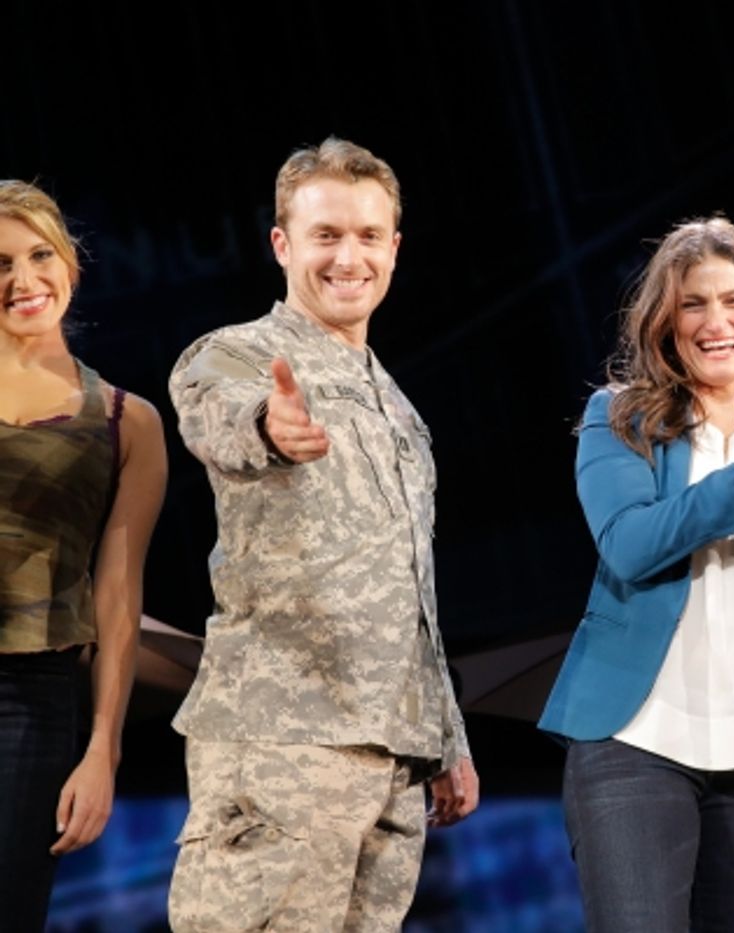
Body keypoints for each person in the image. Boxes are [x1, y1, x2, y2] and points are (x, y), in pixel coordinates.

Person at [166, 137, 478, 932]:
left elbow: (415, 588)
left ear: (395, 248)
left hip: (395, 758)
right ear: (283, 244)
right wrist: (270, 423)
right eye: (326, 235)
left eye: (369, 236)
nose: (350, 257)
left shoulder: (399, 405)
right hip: (283, 739)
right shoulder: (236, 354)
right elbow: (216, 414)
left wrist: (448, 734)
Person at [538, 216, 734, 932]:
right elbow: (628, 544)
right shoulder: (618, 419)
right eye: (693, 304)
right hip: (634, 741)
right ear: (665, 323)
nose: (716, 321)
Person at [0, 180, 167, 931]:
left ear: (70, 264)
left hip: (31, 700)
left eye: (40, 255)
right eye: (0, 263)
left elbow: (118, 594)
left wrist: (104, 747)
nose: (24, 280)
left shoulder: (128, 422)